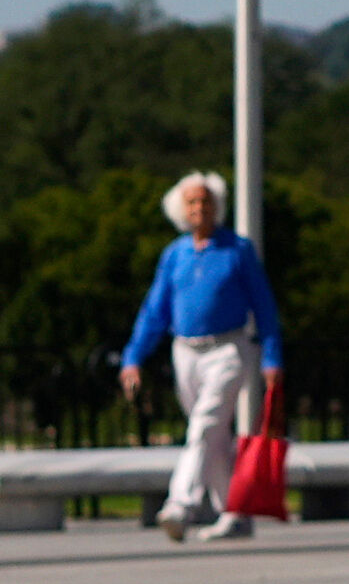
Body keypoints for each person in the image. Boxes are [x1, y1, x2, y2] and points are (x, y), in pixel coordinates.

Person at [114, 172, 283, 546]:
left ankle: (179, 505)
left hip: (229, 349)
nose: (199, 208)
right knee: (213, 436)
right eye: (192, 202)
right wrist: (133, 357)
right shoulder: (174, 254)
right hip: (185, 351)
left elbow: (265, 306)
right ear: (180, 209)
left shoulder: (237, 250)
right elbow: (154, 310)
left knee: (204, 427)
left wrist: (272, 356)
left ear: (217, 206)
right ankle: (235, 514)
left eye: (205, 201)